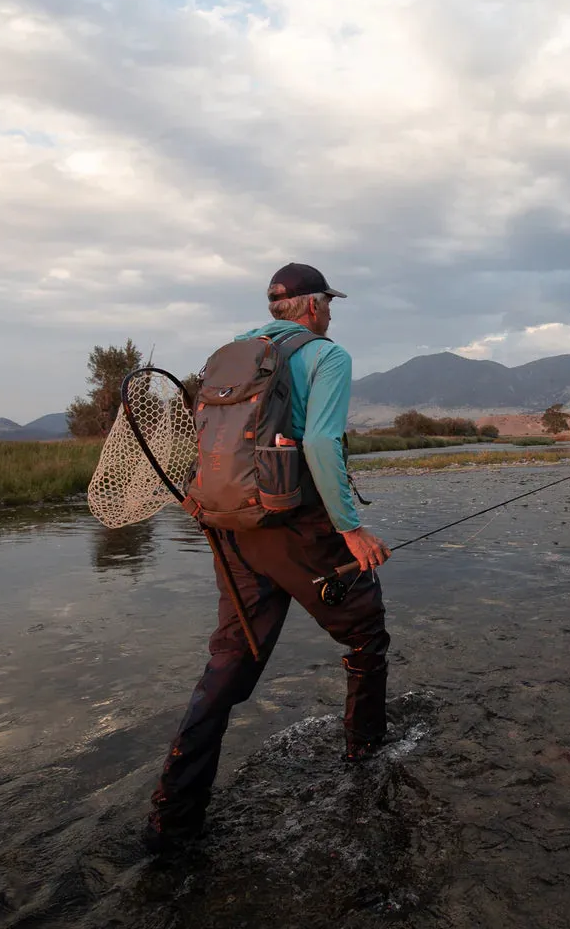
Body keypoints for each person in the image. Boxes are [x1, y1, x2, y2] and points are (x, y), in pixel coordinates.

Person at [142, 262, 393, 854]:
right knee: (366, 634)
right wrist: (351, 532)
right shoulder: (327, 357)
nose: (331, 312)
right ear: (309, 306)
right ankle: (367, 759)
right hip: (294, 527)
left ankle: (170, 820)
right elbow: (320, 443)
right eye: (327, 303)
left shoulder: (232, 353)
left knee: (230, 663)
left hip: (229, 528)